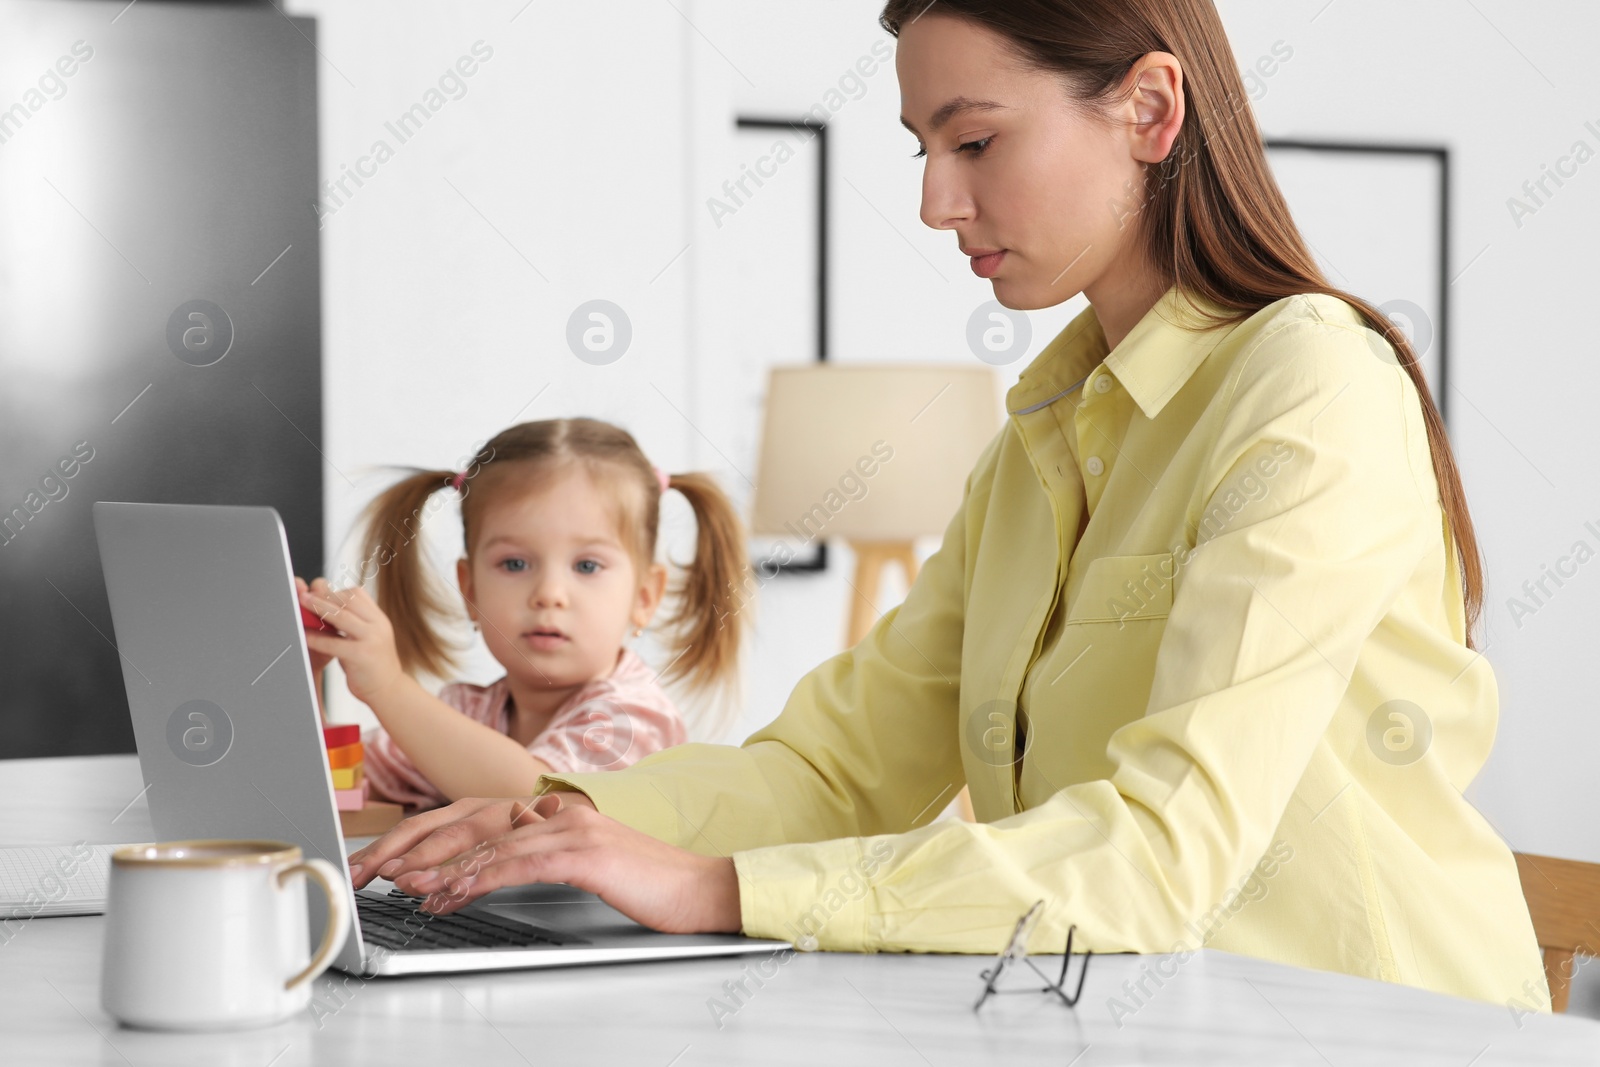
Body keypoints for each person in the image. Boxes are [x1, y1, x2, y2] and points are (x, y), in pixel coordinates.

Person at [346, 0, 1551, 1010]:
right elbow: (835, 770)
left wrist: (712, 887)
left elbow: (1158, 854)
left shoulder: (1309, 383)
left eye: (972, 143)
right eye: (921, 147)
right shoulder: (1038, 434)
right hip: (1140, 1012)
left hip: (1377, 1023)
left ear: (1149, 110)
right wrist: (545, 817)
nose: (932, 202)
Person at [297, 416, 751, 806]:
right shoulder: (466, 713)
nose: (549, 594)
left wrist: (390, 688)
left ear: (644, 598)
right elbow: (337, 790)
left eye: (587, 566)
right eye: (515, 564)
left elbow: (535, 797)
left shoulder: (633, 717)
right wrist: (304, 682)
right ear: (470, 590)